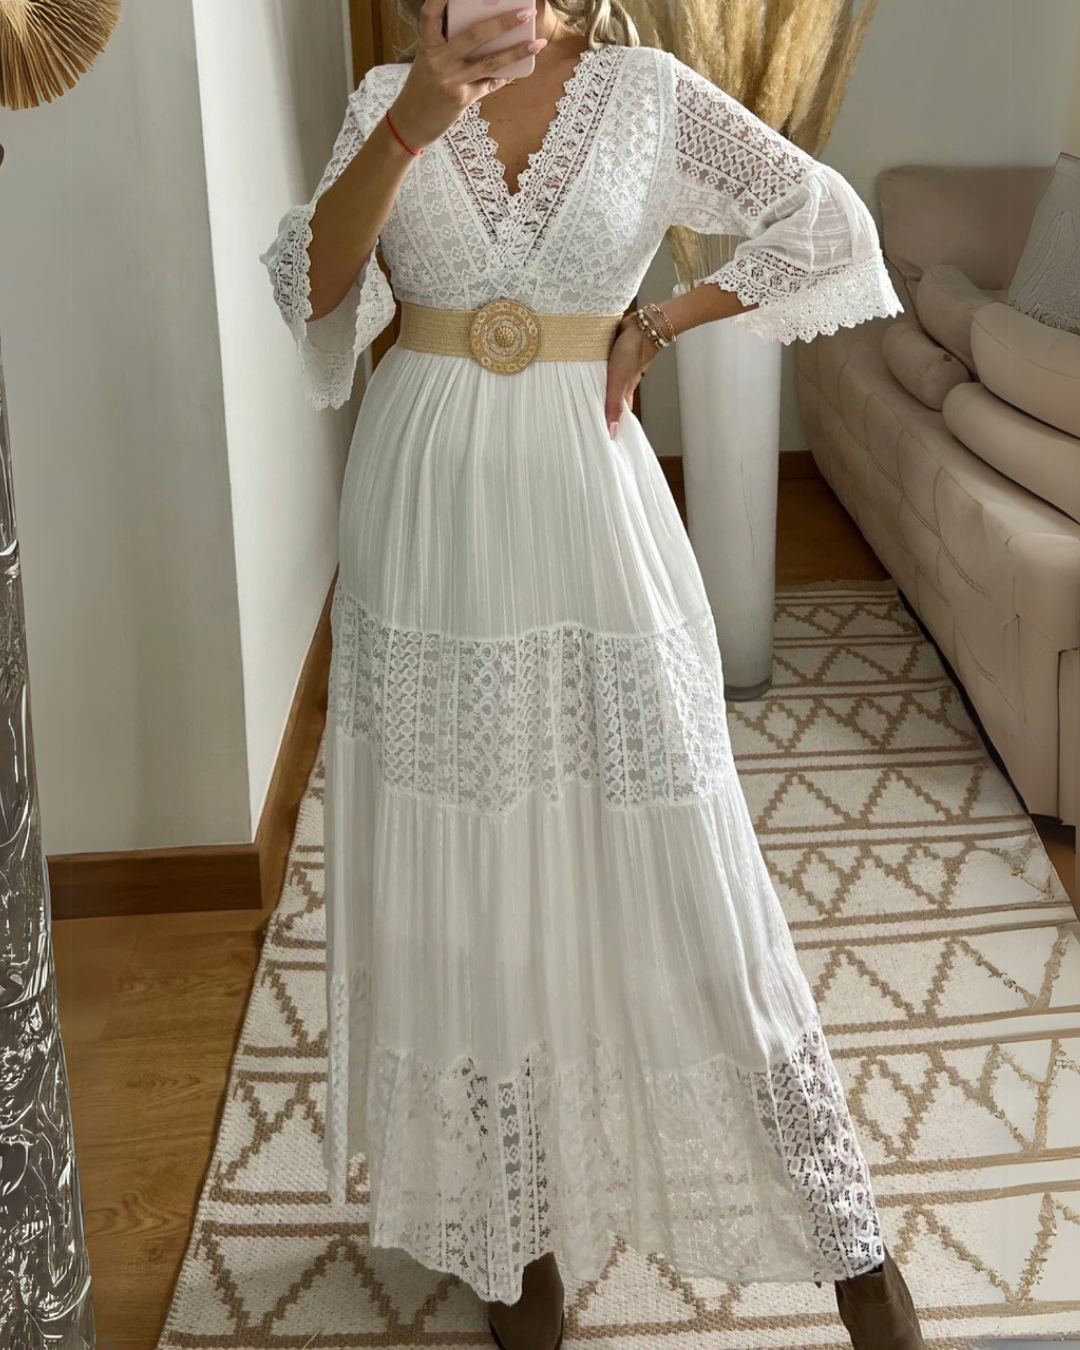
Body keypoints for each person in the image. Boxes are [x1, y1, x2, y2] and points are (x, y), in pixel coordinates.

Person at [259, 2, 923, 1347]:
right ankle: (512, 1226)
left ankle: (848, 1244)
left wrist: (664, 318)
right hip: (424, 511)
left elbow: (826, 220)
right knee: (467, 855)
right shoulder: (388, 95)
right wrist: (410, 127)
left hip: (591, 492)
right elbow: (315, 289)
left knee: (685, 836)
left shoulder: (647, 93)